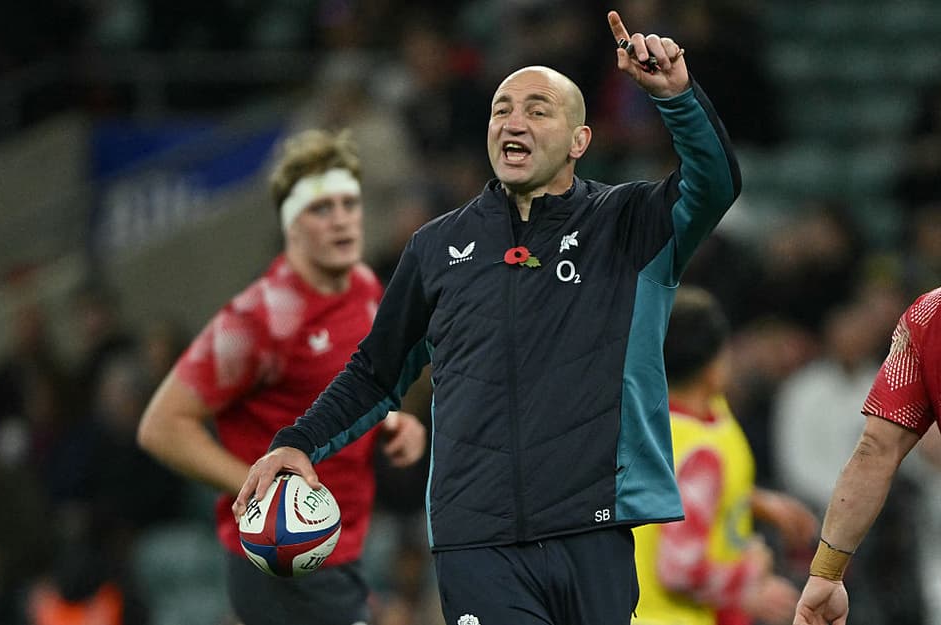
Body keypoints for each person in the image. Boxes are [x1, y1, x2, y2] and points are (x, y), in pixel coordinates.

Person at [235, 10, 741, 625]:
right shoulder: (435, 248)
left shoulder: (629, 224)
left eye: (537, 109)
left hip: (593, 527)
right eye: (502, 109)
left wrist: (676, 98)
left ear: (579, 141)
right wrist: (299, 442)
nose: (513, 121)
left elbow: (714, 184)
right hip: (476, 539)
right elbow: (376, 372)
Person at [136, 128, 427, 625]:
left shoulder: (364, 290)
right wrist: (261, 493)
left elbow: (352, 391)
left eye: (349, 204)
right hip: (281, 555)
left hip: (341, 548)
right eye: (321, 208)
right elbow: (161, 426)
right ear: (292, 223)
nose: (342, 221)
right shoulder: (256, 320)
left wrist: (392, 424)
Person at [632, 286, 817, 625]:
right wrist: (749, 580)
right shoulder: (697, 450)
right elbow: (679, 569)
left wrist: (754, 501)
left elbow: (685, 495)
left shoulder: (655, 417)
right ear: (714, 364)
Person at [793, 285, 941, 625]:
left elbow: (876, 449)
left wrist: (827, 574)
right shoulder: (929, 316)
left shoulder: (930, 315)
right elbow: (876, 450)